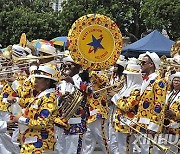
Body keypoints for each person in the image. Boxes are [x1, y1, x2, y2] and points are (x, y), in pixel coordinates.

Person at [11, 65, 59, 154]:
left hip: (40, 146)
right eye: (35, 78)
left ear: (48, 81)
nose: (35, 81)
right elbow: (29, 102)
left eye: (39, 78)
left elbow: (42, 123)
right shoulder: (42, 96)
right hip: (33, 143)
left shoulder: (49, 98)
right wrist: (16, 100)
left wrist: (20, 119)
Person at [55, 55, 89, 154]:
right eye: (64, 66)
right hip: (61, 122)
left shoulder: (83, 81)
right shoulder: (60, 83)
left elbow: (90, 91)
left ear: (78, 68)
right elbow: (54, 98)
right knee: (61, 149)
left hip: (76, 123)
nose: (66, 68)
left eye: (70, 66)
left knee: (74, 150)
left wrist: (73, 81)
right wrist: (60, 98)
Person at [135, 51, 167, 154]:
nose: (141, 65)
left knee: (150, 151)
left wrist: (154, 125)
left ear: (151, 64)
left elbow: (159, 105)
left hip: (150, 125)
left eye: (144, 63)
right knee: (143, 151)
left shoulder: (159, 81)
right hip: (142, 123)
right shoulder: (145, 80)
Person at [113, 58, 142, 154]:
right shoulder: (125, 88)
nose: (124, 77)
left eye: (127, 75)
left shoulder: (137, 89)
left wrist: (115, 95)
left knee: (126, 149)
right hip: (119, 123)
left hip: (127, 124)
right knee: (120, 148)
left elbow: (127, 106)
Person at [81, 70, 110, 154]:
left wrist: (92, 71)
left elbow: (103, 81)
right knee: (87, 139)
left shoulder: (102, 74)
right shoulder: (87, 77)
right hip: (89, 113)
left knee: (102, 138)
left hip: (99, 113)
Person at [108, 55, 127, 154]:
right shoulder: (112, 76)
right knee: (111, 131)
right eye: (114, 66)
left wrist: (114, 95)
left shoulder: (124, 78)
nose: (114, 68)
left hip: (119, 105)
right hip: (112, 104)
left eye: (116, 66)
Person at [164, 72, 180, 154]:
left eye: (178, 81)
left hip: (176, 126)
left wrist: (175, 114)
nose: (176, 82)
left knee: (172, 149)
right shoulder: (168, 93)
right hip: (164, 124)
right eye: (175, 80)